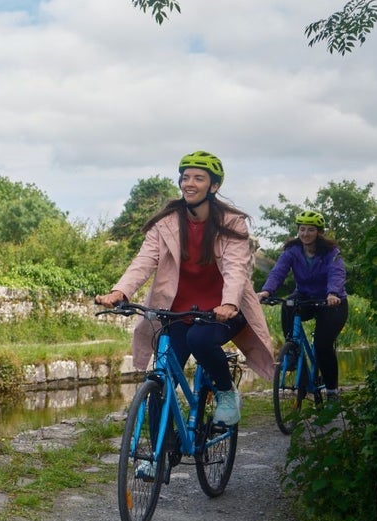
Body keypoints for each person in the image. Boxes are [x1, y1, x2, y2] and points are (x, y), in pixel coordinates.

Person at [95, 151, 275, 427]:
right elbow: (144, 260)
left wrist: (228, 304)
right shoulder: (166, 222)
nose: (189, 183)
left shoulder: (231, 222)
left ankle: (226, 393)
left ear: (213, 186)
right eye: (185, 177)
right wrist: (121, 291)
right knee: (161, 378)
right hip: (177, 312)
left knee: (200, 340)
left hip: (221, 311)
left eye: (198, 178)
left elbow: (235, 268)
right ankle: (156, 458)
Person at [259, 209, 349, 398]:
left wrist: (332, 293)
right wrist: (267, 291)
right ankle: (292, 350)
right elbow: (278, 272)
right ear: (298, 231)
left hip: (332, 301)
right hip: (306, 296)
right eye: (302, 230)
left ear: (319, 232)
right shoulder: (292, 251)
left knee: (322, 345)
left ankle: (332, 391)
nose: (305, 234)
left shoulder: (331, 252)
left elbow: (336, 273)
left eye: (310, 230)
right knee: (289, 304)